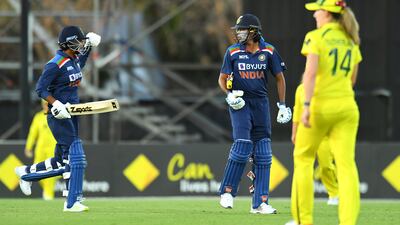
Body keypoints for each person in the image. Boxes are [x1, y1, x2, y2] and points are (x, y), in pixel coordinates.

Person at [286, 0, 362, 224]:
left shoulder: (316, 37)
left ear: (327, 14)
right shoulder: (351, 40)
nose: (314, 15)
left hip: (319, 107)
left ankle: (303, 220)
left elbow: (309, 75)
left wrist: (307, 107)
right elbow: (352, 80)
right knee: (347, 166)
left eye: (317, 11)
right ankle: (348, 222)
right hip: (347, 108)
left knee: (303, 159)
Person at [15, 25, 101, 212]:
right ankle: (72, 202)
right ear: (69, 43)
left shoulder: (73, 60)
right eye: (78, 41)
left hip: (72, 114)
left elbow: (79, 66)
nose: (81, 44)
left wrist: (90, 46)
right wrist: (56, 104)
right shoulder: (55, 64)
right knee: (75, 157)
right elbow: (40, 89)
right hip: (58, 115)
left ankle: (26, 173)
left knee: (60, 161)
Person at [218, 14, 292, 214]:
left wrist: (282, 105)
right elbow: (222, 78)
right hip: (240, 103)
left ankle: (260, 202)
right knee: (242, 145)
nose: (238, 33)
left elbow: (279, 78)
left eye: (242, 29)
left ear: (253, 31)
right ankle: (227, 191)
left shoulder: (268, 50)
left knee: (264, 153)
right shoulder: (233, 52)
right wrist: (229, 95)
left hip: (260, 104)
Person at [292, 83, 339, 206]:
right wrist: (294, 133)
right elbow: (297, 112)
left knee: (326, 165)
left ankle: (334, 193)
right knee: (303, 165)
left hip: (324, 134)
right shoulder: (300, 89)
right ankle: (302, 200)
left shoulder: (326, 86)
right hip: (306, 132)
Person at [24, 100, 58, 200]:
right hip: (40, 150)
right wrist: (28, 147)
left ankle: (48, 195)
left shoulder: (57, 116)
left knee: (51, 173)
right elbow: (32, 133)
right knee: (37, 172)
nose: (46, 106)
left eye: (48, 104)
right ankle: (47, 192)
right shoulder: (38, 117)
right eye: (45, 104)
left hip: (53, 149)